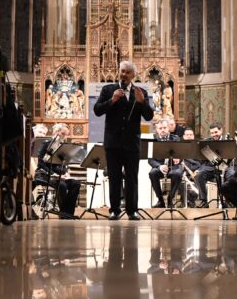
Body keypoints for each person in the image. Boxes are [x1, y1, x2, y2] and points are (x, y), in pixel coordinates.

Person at [93, 60, 155, 219]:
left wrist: (141, 103)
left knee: (132, 179)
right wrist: (112, 100)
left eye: (128, 72)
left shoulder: (141, 92)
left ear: (133, 75)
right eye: (122, 71)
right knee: (114, 178)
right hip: (113, 143)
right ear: (118, 72)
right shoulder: (108, 90)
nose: (124, 74)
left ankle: (132, 210)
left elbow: (148, 116)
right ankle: (114, 209)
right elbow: (97, 111)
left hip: (132, 144)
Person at [33, 123, 81, 217]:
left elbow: (64, 163)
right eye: (63, 134)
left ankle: (68, 213)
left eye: (66, 135)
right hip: (46, 174)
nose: (65, 137)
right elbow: (41, 164)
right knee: (62, 185)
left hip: (60, 176)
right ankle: (63, 213)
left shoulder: (63, 146)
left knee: (76, 184)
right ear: (56, 132)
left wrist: (65, 173)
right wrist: (54, 174)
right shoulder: (46, 144)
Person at [148, 118, 182, 208]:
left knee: (178, 173)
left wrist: (179, 158)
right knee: (152, 173)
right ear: (156, 130)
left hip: (173, 166)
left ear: (168, 128)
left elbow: (182, 154)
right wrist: (159, 166)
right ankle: (160, 200)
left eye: (164, 127)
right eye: (160, 128)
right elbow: (150, 160)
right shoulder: (153, 141)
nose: (162, 130)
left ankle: (171, 198)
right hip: (159, 166)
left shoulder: (176, 138)